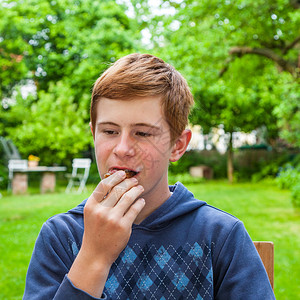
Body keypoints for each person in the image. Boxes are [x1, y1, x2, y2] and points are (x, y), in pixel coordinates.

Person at [23, 53, 275, 299]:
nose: (121, 148)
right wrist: (94, 257)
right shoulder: (60, 237)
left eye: (142, 133)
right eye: (110, 131)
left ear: (177, 145)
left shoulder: (221, 236)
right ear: (93, 134)